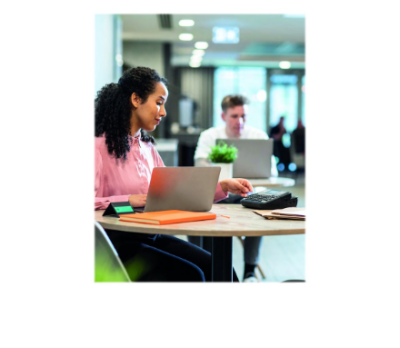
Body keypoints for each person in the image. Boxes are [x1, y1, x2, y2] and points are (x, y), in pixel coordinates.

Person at [95, 67, 253, 282]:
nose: (163, 112)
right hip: (114, 244)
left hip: (151, 235)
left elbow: (173, 196)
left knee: (220, 268)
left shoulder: (147, 148)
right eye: (159, 102)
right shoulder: (97, 148)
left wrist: (222, 186)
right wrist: (128, 201)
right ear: (136, 99)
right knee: (193, 275)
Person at [193, 94, 278, 282]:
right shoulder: (210, 136)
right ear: (223, 116)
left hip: (246, 194)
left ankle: (249, 272)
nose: (240, 121)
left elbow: (272, 170)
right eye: (234, 116)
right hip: (217, 195)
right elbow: (200, 165)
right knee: (194, 206)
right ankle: (203, 264)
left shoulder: (258, 136)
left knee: (260, 208)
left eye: (243, 116)